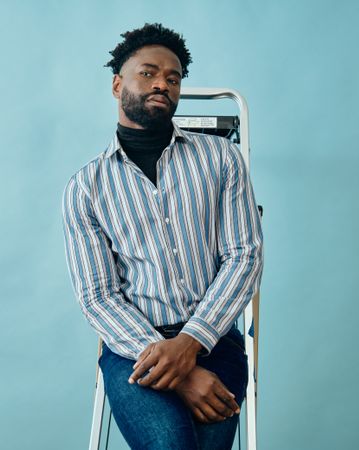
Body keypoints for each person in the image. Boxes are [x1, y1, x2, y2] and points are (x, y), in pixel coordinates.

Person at [62, 23, 263, 450]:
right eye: (148, 73)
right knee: (170, 444)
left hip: (213, 341)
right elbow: (98, 295)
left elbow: (244, 256)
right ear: (117, 85)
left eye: (173, 78)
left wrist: (190, 344)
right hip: (132, 349)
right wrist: (178, 367)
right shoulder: (85, 188)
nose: (162, 84)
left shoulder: (222, 159)